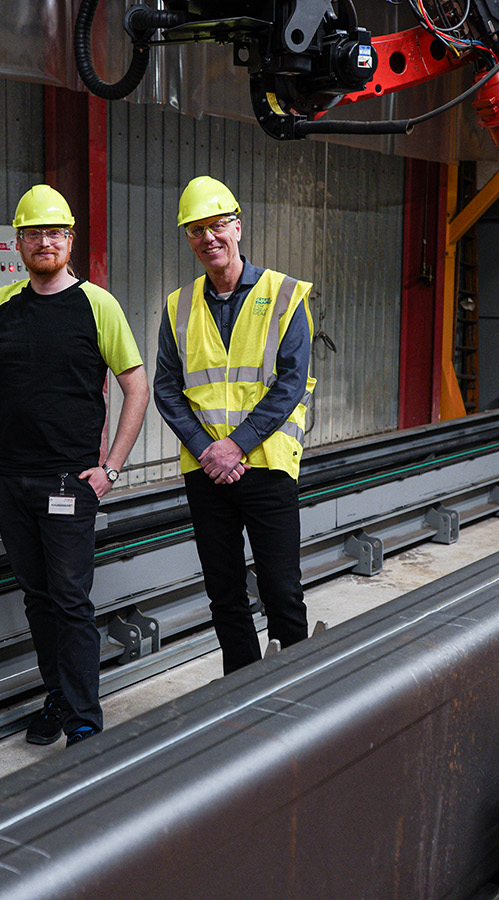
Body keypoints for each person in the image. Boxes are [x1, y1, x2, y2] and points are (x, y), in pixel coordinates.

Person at [0, 184, 147, 747]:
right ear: (17, 242)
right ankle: (59, 699)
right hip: (9, 481)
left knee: (70, 600)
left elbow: (135, 387)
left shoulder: (98, 305)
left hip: (69, 481)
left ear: (70, 241)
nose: (45, 242)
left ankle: (86, 718)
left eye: (55, 233)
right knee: (39, 599)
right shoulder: (1, 303)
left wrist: (110, 469)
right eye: (35, 233)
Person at [154, 176, 316, 675]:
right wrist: (209, 449)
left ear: (238, 227)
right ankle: (241, 693)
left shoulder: (285, 294)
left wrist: (236, 447)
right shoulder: (178, 305)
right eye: (196, 230)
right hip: (207, 471)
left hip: (265, 465)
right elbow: (166, 387)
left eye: (218, 226)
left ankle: (296, 689)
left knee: (280, 590)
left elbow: (291, 383)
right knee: (223, 593)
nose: (209, 238)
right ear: (188, 238)